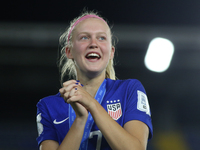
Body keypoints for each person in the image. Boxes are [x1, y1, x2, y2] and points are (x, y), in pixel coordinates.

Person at [36, 10, 153, 150]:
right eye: (84, 38)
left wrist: (91, 103)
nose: (93, 44)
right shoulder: (48, 106)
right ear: (69, 51)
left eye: (101, 38)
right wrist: (80, 120)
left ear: (111, 52)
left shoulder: (130, 90)